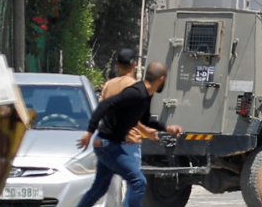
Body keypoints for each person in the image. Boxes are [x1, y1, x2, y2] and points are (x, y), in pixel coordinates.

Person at [75, 62, 182, 207]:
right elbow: (105, 104)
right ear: (162, 79)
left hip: (108, 144)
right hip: (107, 145)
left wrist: (166, 128)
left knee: (99, 189)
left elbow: (145, 118)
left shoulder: (146, 95)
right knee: (138, 181)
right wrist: (89, 132)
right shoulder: (136, 93)